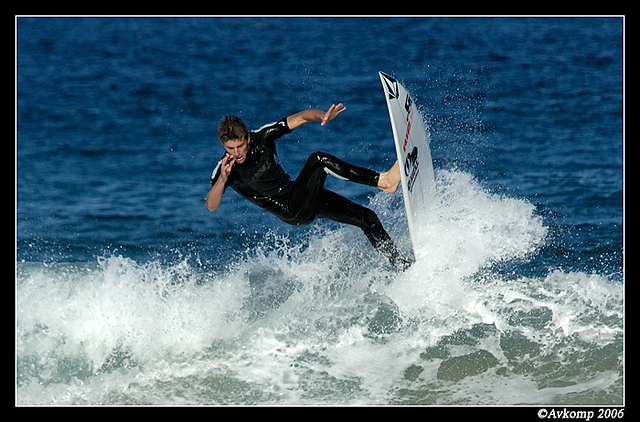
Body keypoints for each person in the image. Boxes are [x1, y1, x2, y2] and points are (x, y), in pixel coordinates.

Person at [206, 104, 412, 270]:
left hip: (303, 195)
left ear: (247, 139)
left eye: (239, 146)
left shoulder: (262, 138)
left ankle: (402, 265)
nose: (236, 153)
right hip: (292, 211)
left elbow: (302, 117)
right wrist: (223, 180)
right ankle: (382, 181)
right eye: (230, 149)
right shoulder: (226, 169)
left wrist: (322, 115)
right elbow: (211, 205)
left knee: (367, 218)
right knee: (318, 160)